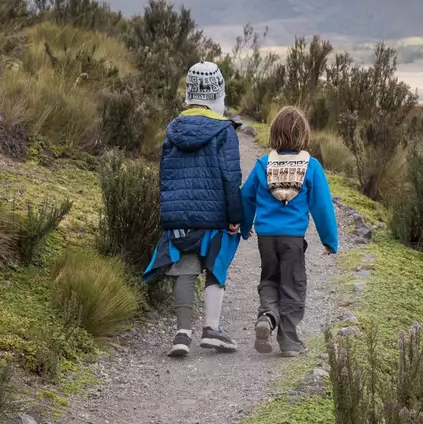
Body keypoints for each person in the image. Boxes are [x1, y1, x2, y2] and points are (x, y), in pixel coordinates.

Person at [143, 61, 244, 357]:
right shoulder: (224, 132)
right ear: (218, 94)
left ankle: (182, 333)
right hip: (214, 218)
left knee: (184, 270)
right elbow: (231, 177)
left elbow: (164, 174)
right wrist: (235, 216)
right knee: (215, 268)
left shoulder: (172, 130)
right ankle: (211, 328)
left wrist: (170, 211)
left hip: (180, 218)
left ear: (189, 92)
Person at [240, 106, 339, 356]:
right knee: (293, 284)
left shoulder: (264, 164)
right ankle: (289, 341)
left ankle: (268, 316)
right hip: (293, 239)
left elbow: (246, 197)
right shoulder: (311, 166)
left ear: (274, 133)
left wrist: (243, 226)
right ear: (303, 135)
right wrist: (329, 239)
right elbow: (322, 207)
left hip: (266, 238)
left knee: (270, 279)